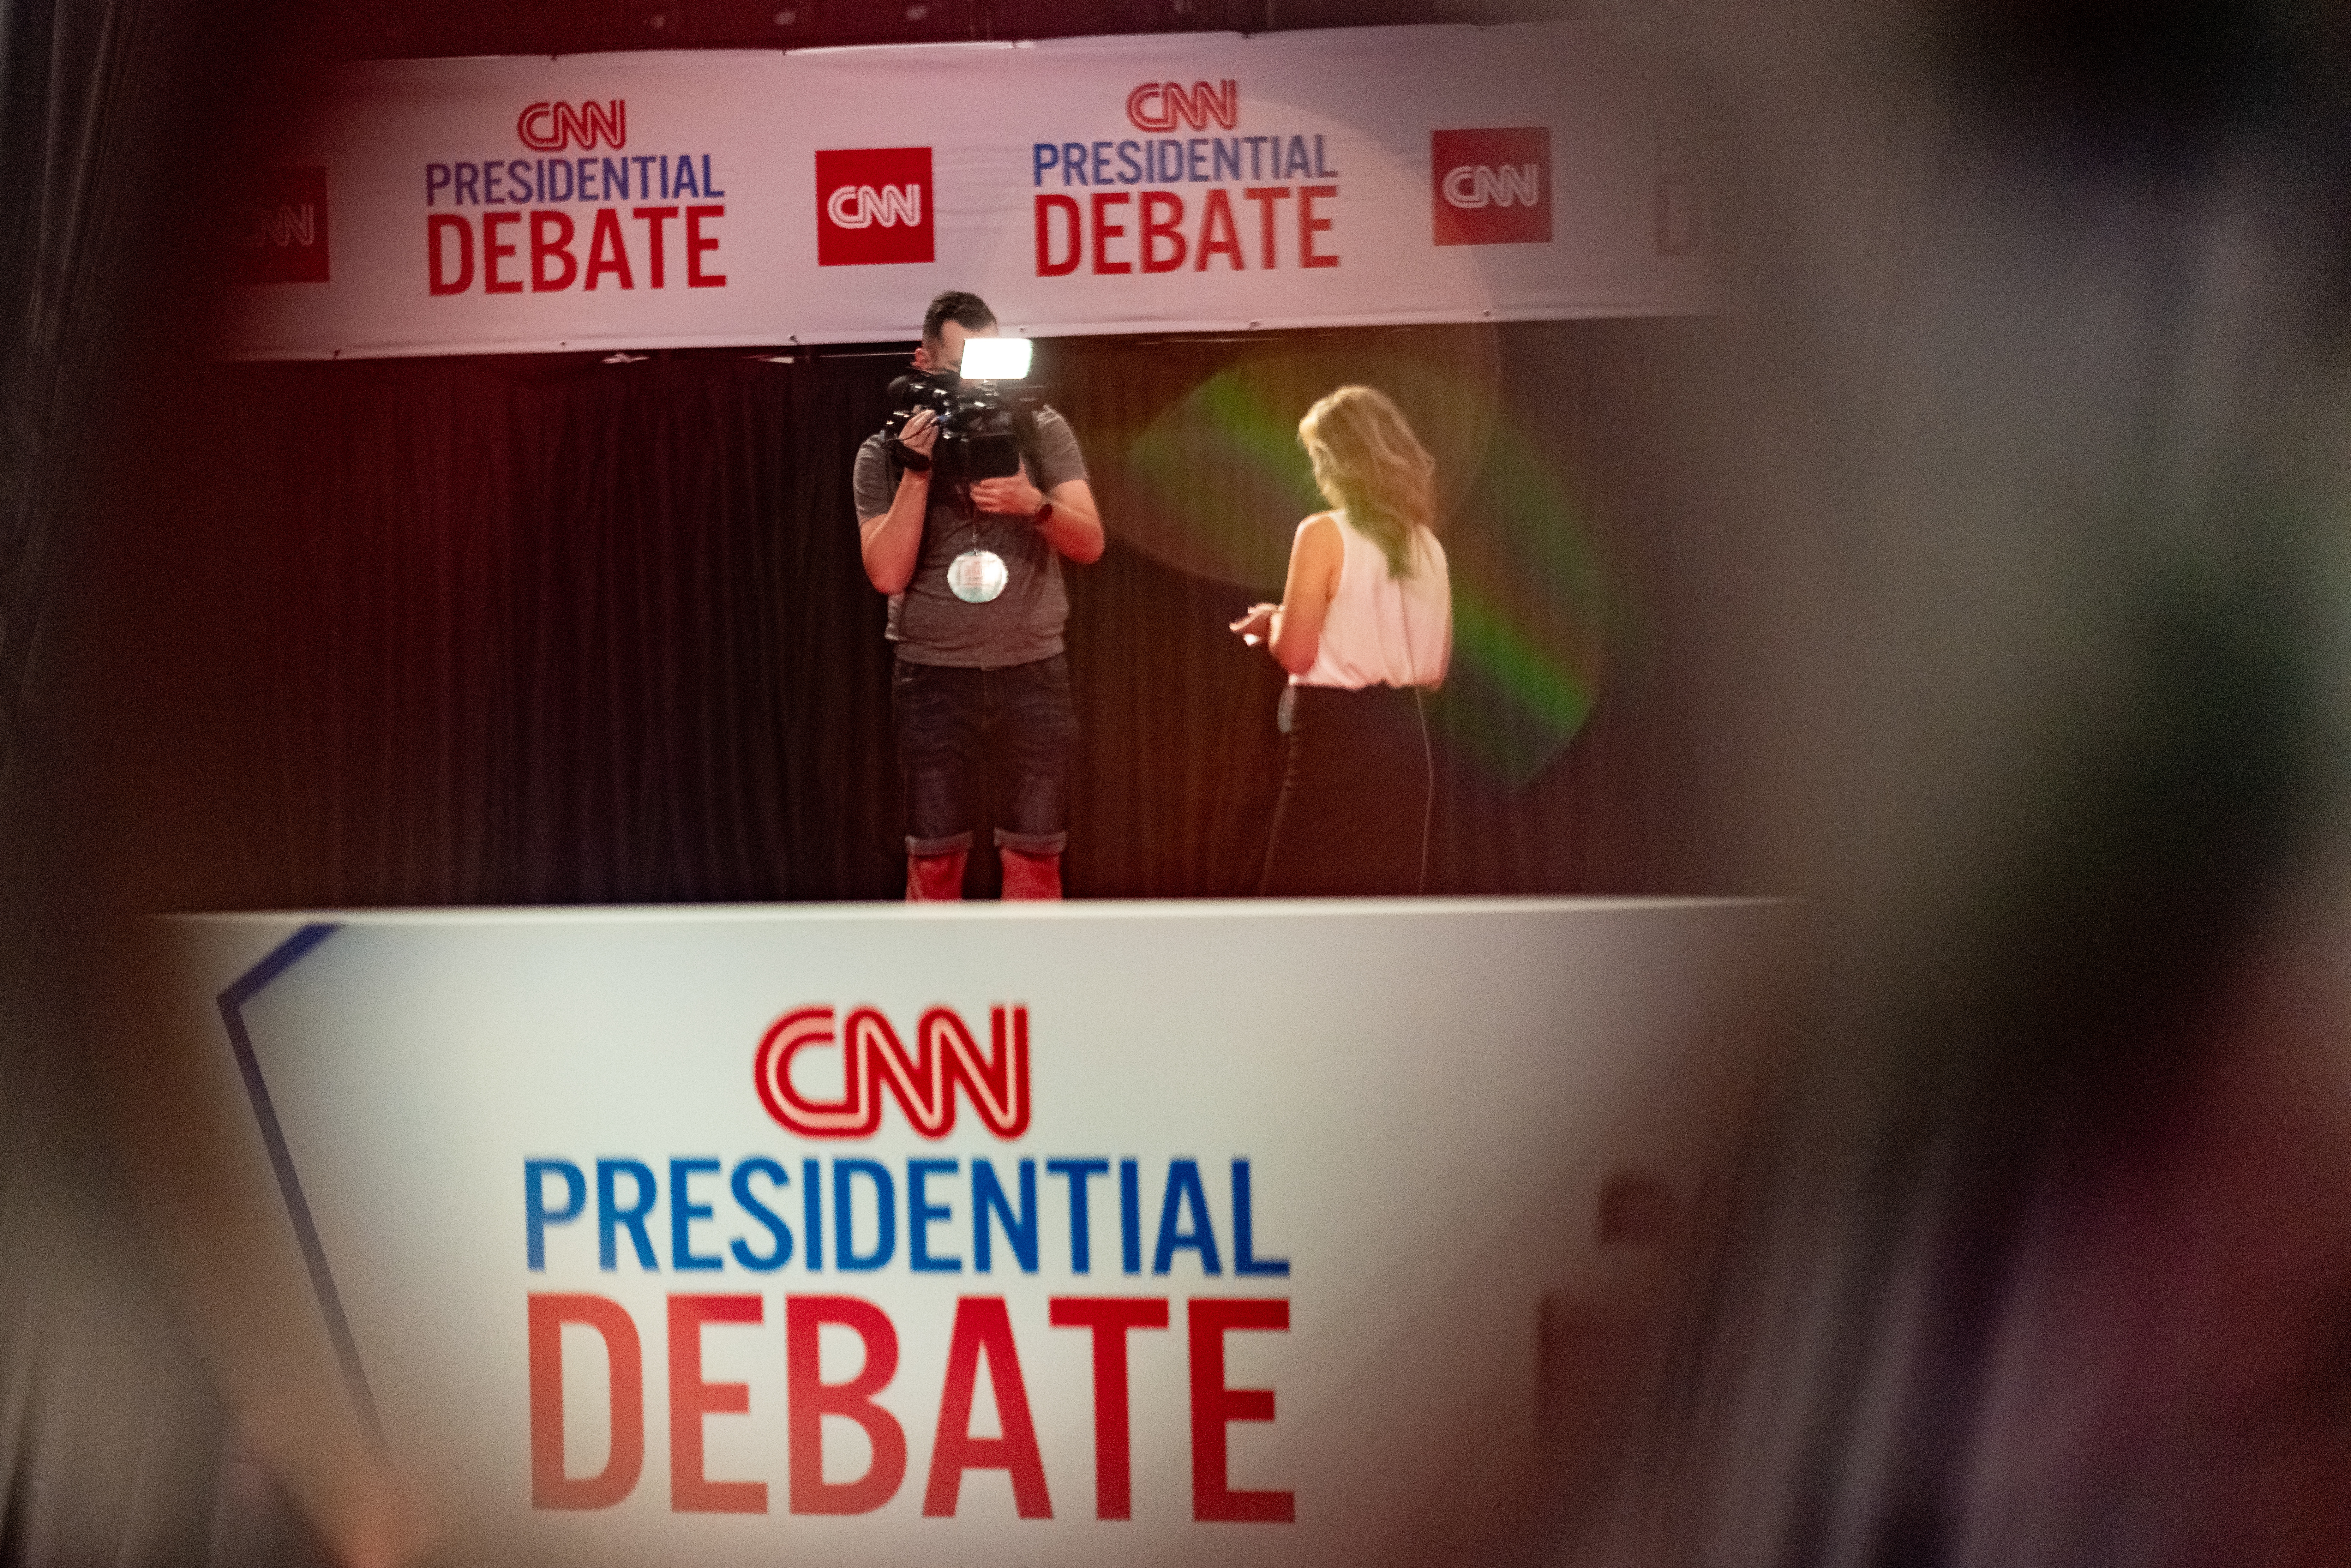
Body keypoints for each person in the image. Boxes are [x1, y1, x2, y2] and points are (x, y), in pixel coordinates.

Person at [853, 291, 1104, 901]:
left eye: (988, 364)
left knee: (1035, 860)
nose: (975, 384)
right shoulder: (882, 452)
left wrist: (1034, 504)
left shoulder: (1041, 431)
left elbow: (1090, 543)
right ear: (924, 362)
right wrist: (917, 473)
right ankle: (940, 994)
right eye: (961, 367)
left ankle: (1031, 994)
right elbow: (886, 574)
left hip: (1033, 671)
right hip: (932, 678)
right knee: (934, 865)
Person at [1231, 385, 1451, 895]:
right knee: (1384, 916)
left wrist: (1275, 624)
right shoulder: (1428, 546)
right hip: (1408, 743)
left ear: (1336, 461)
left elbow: (1297, 653)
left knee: (1298, 910)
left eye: (1316, 457)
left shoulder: (1323, 533)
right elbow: (1436, 669)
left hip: (1334, 741)